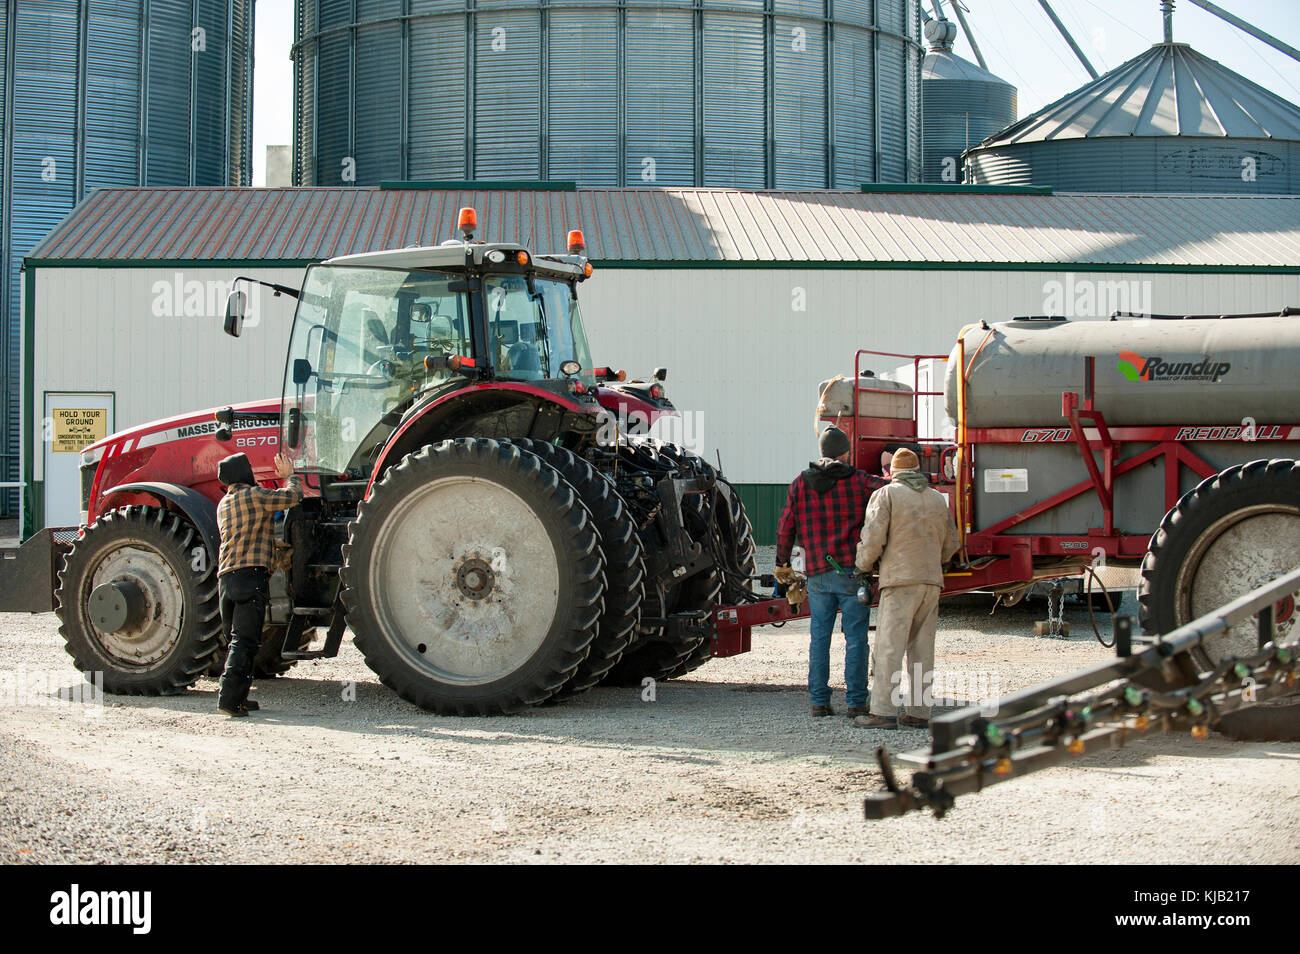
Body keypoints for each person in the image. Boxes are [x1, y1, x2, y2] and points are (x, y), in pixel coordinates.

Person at [775, 426, 885, 718]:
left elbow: (786, 528)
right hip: (852, 572)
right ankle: (857, 702)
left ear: (822, 452)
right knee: (856, 638)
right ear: (845, 453)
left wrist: (782, 563)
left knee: (820, 638)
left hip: (817, 575)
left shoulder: (800, 484)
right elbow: (888, 490)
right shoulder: (859, 481)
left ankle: (819, 702)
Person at [853, 448, 959, 730]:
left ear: (893, 472)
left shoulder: (887, 495)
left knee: (889, 646)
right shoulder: (937, 498)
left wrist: (862, 564)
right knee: (923, 649)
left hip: (899, 580)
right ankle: (919, 712)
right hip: (931, 581)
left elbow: (873, 536)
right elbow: (951, 542)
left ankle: (883, 712)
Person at [216, 451, 302, 717]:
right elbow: (291, 498)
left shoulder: (224, 504)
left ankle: (239, 697)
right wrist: (290, 477)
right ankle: (228, 701)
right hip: (249, 578)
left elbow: (248, 535)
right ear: (244, 473)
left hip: (226, 580)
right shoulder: (253, 496)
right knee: (245, 641)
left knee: (237, 642)